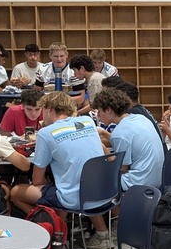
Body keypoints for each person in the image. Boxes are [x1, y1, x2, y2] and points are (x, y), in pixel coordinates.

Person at [9, 92, 108, 237]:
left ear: (48, 109)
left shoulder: (46, 133)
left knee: (16, 192)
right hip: (103, 192)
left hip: (73, 198)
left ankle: (52, 230)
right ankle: (102, 234)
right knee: (66, 184)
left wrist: (46, 182)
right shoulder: (87, 122)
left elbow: (37, 180)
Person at [92, 87, 163, 193]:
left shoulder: (119, 133)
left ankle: (118, 209)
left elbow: (121, 169)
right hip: (156, 179)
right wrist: (103, 133)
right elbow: (128, 141)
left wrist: (101, 147)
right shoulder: (140, 118)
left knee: (97, 179)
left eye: (99, 111)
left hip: (138, 183)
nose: (98, 116)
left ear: (108, 110)